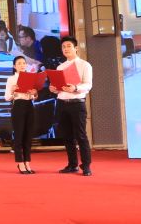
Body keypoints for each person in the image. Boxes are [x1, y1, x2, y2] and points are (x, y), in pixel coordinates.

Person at [49, 36, 93, 176]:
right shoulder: (60, 67)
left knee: (81, 135)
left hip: (77, 103)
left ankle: (86, 166)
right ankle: (72, 164)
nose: (66, 49)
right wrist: (54, 89)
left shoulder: (85, 65)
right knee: (67, 136)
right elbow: (59, 88)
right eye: (63, 47)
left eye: (68, 46)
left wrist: (75, 88)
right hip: (62, 103)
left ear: (76, 48)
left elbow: (88, 85)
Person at [5, 56, 38, 174]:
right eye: (19, 63)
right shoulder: (11, 79)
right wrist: (13, 91)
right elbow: (6, 97)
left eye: (24, 63)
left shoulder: (31, 77)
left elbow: (34, 96)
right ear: (14, 66)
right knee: (19, 135)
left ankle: (27, 162)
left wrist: (34, 93)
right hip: (18, 106)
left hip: (29, 105)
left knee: (28, 136)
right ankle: (20, 162)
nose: (22, 65)